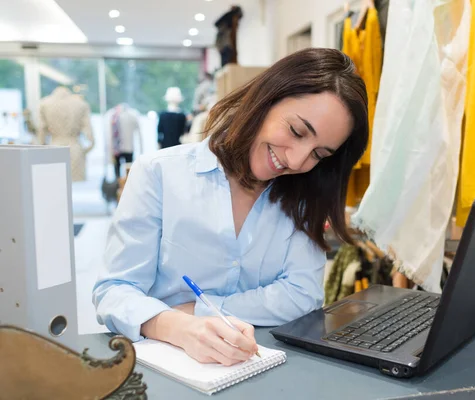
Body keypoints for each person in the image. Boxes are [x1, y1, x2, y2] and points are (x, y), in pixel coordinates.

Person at [92, 48, 369, 367]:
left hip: (265, 371)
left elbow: (302, 296)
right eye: (295, 131)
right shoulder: (159, 173)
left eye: (319, 154)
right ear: (267, 98)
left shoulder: (305, 195)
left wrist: (198, 310)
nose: (296, 160)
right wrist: (177, 327)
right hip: (166, 368)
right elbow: (115, 290)